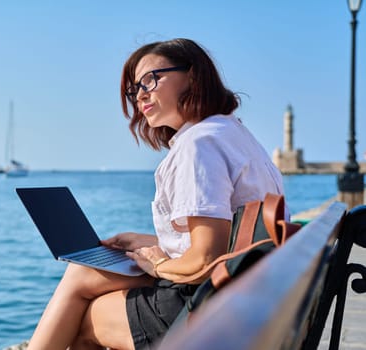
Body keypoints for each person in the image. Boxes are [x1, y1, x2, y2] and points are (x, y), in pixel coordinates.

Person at [26, 38, 286, 350]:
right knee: (82, 274)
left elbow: (207, 256)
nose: (141, 95)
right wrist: (149, 243)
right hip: (243, 292)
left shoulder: (199, 145)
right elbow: (224, 237)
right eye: (134, 89)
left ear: (192, 75)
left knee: (86, 316)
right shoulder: (231, 132)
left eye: (151, 79)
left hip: (209, 304)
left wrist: (158, 265)